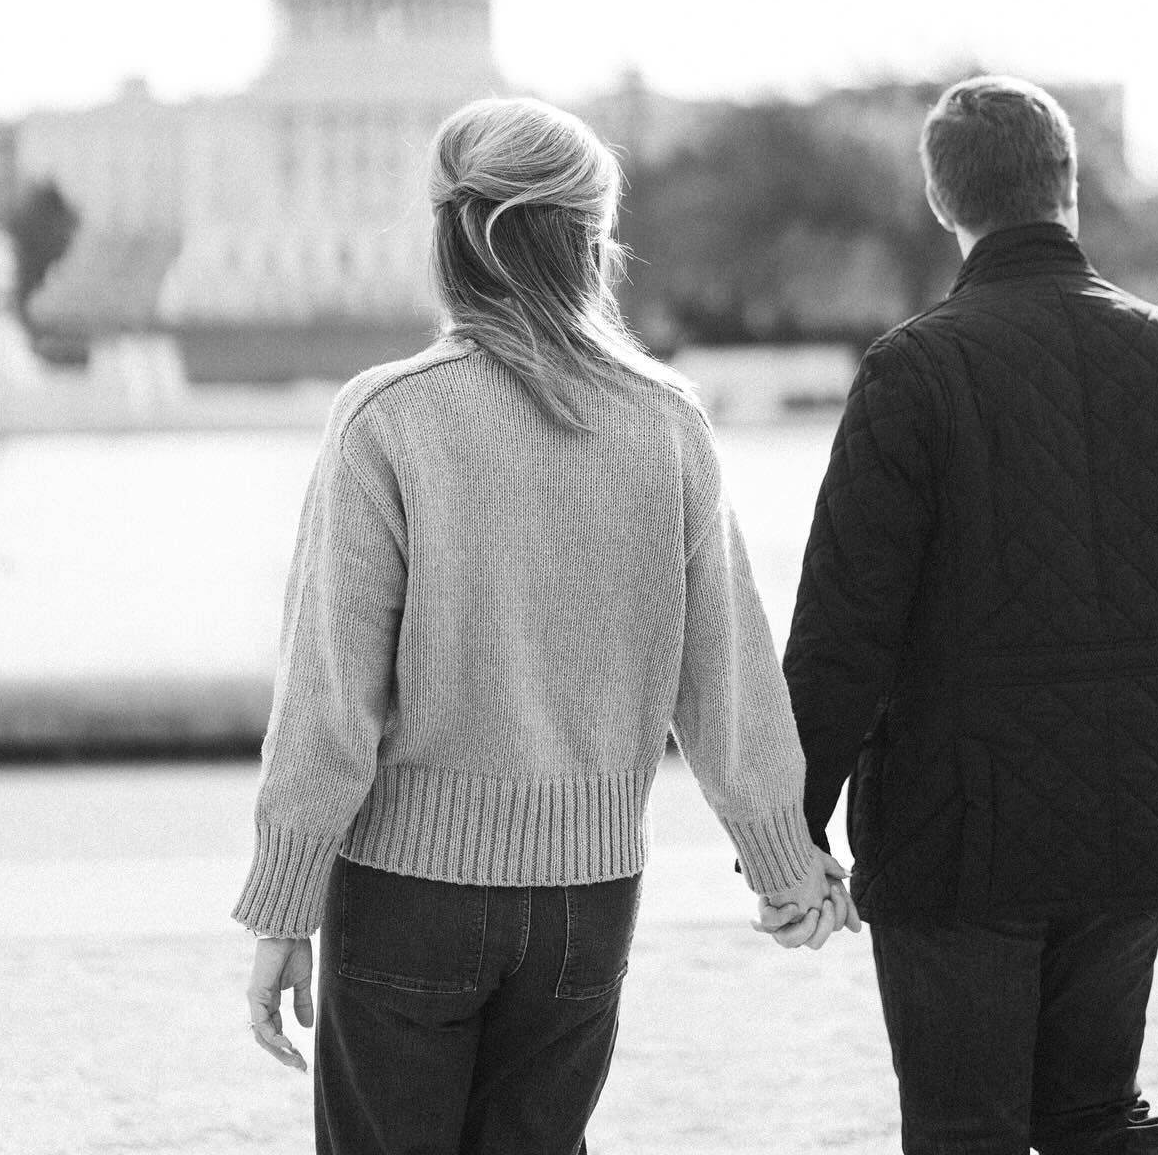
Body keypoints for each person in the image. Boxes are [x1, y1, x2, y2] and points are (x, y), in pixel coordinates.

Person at [234, 95, 850, 1155]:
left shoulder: (389, 417)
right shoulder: (668, 424)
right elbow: (729, 681)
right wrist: (787, 864)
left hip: (408, 892)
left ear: (449, 242)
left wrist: (285, 907)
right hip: (588, 897)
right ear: (594, 247)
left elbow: (333, 699)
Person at [765, 75, 1158, 1154]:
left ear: (944, 201)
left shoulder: (914, 371)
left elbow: (848, 626)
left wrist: (787, 828)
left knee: (966, 1129)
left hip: (961, 828)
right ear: (1068, 185)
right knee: (1094, 1115)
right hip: (1141, 803)